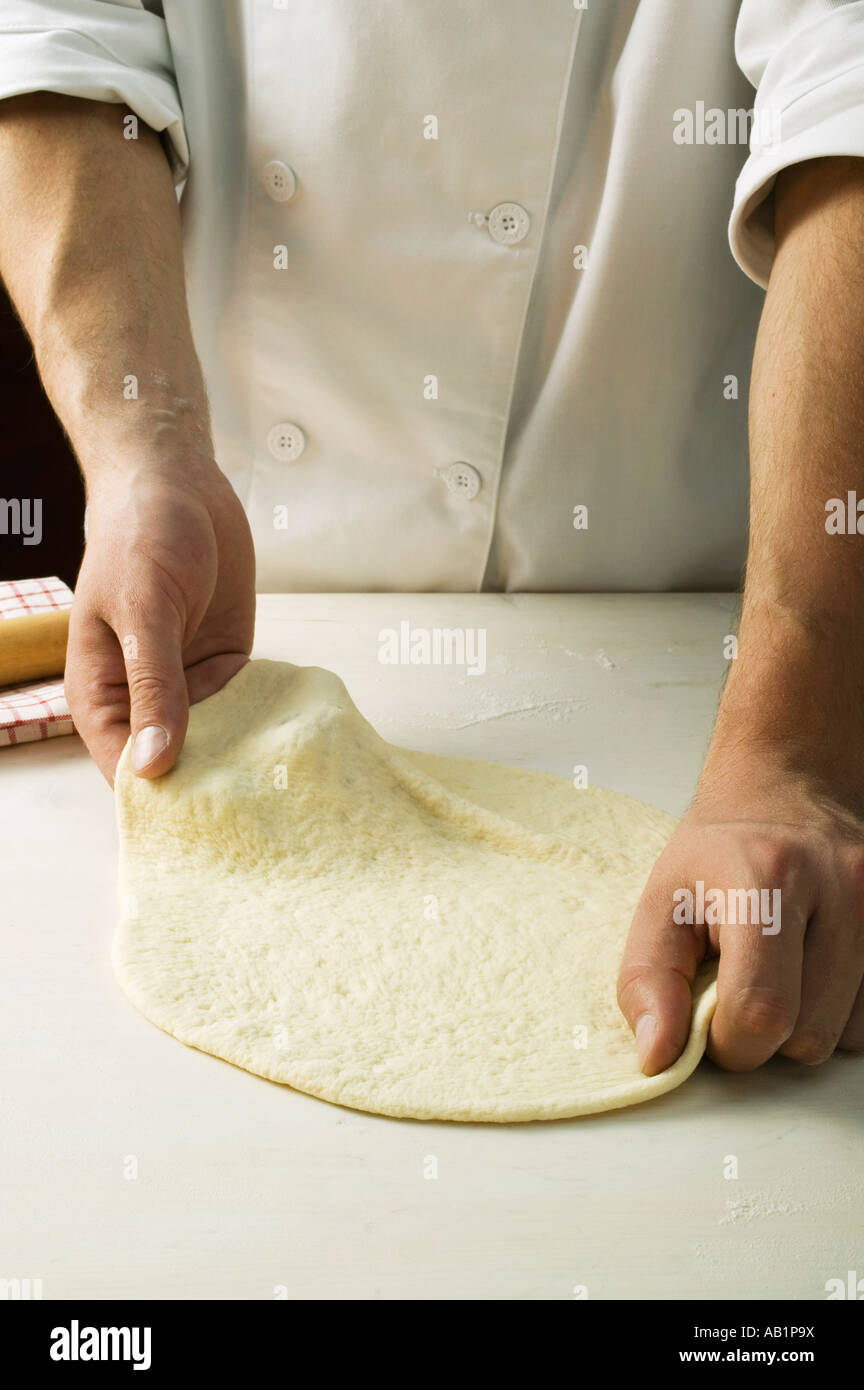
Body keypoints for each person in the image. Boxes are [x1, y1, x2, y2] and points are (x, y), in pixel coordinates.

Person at [1, 0, 863, 1078]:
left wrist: (793, 750)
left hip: (718, 649)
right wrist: (146, 453)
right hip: (249, 602)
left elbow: (849, 105)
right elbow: (59, 38)